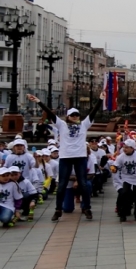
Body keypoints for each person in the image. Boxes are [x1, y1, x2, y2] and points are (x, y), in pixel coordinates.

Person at [26, 91, 104, 221]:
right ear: (68, 117)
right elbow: (50, 114)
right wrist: (39, 102)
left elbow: (93, 113)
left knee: (83, 184)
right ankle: (58, 209)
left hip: (80, 157)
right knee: (61, 184)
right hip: (65, 157)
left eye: (76, 115)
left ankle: (87, 208)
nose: (75, 116)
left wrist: (101, 100)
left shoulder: (84, 124)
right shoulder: (61, 125)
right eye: (72, 115)